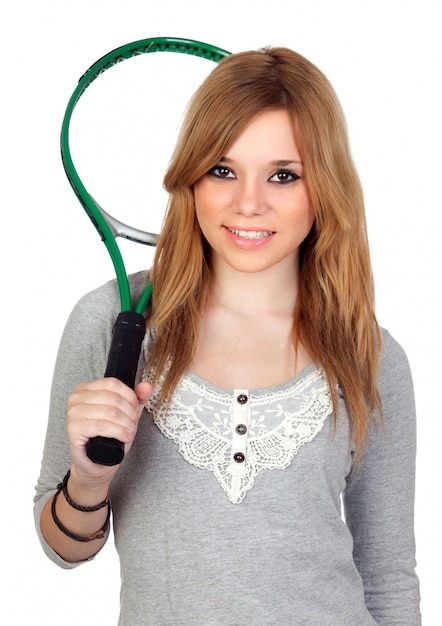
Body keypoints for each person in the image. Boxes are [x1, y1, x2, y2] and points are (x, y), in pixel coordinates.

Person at [34, 46, 421, 625]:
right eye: (223, 170)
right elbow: (61, 548)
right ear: (190, 179)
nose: (248, 203)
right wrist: (89, 479)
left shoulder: (372, 355)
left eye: (284, 175)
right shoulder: (111, 323)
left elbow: (389, 578)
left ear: (326, 188)